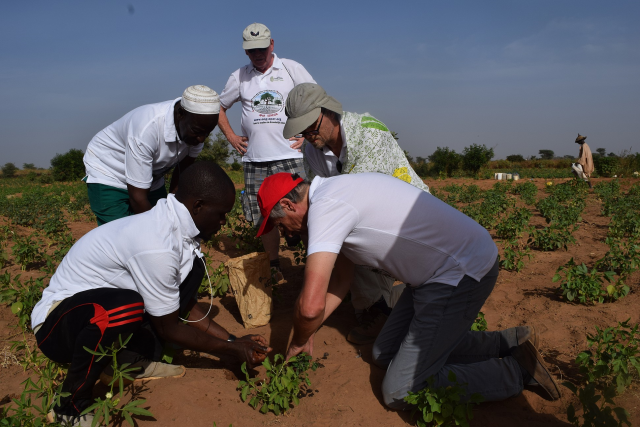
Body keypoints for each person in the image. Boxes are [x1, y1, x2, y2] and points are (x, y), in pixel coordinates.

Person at [256, 172, 561, 410]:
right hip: (434, 275)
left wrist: (298, 340)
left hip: (461, 272)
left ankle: (517, 371)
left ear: (288, 204)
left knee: (400, 391)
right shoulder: (335, 193)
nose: (284, 234)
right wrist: (309, 331)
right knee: (382, 352)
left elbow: (309, 307)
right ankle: (508, 341)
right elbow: (340, 283)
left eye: (279, 225)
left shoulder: (327, 207)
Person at [32, 162, 271, 426]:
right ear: (198, 206)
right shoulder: (156, 243)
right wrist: (230, 351)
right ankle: (69, 406)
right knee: (124, 306)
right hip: (58, 326)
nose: (224, 221)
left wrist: (233, 340)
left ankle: (129, 362)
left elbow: (183, 303)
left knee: (191, 272)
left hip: (93, 319)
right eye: (221, 214)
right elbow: (168, 327)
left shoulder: (179, 231)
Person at [281, 82, 430, 344]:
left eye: (310, 124)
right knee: (346, 259)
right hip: (377, 220)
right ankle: (384, 303)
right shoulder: (311, 150)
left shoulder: (369, 134)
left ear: (328, 111)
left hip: (410, 216)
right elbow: (320, 200)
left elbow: (361, 204)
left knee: (348, 242)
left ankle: (386, 309)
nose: (307, 133)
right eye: (301, 129)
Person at [218, 23, 316, 280]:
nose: (258, 54)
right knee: (264, 215)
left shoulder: (291, 68)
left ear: (272, 44)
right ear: (246, 52)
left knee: (302, 210)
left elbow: (315, 98)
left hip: (289, 155)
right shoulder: (239, 76)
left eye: (262, 48)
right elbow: (219, 107)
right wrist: (231, 136)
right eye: (252, 51)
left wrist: (308, 134)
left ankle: (312, 266)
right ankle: (274, 265)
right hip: (255, 160)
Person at [83, 85, 220, 225]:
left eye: (207, 133)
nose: (201, 139)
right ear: (180, 114)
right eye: (197, 131)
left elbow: (181, 175)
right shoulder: (147, 129)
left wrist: (174, 214)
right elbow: (138, 198)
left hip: (150, 177)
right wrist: (162, 231)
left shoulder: (196, 131)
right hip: (110, 172)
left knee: (162, 218)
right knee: (120, 233)